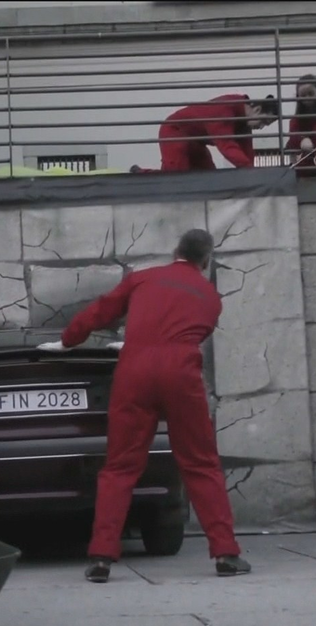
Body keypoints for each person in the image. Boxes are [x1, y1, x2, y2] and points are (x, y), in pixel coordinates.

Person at [36, 229, 250, 582]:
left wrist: (69, 340)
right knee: (200, 464)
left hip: (134, 371)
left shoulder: (143, 278)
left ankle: (101, 557)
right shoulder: (211, 298)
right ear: (206, 261)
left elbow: (102, 310)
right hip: (182, 375)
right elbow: (191, 334)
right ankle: (226, 553)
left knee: (120, 467)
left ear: (175, 250)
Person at [134, 94, 279, 173]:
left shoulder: (243, 122)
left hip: (195, 140)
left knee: (208, 175)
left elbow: (247, 152)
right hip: (174, 132)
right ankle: (142, 174)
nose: (261, 127)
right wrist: (251, 171)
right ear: (257, 110)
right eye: (263, 122)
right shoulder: (225, 109)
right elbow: (227, 146)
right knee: (176, 177)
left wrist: (253, 172)